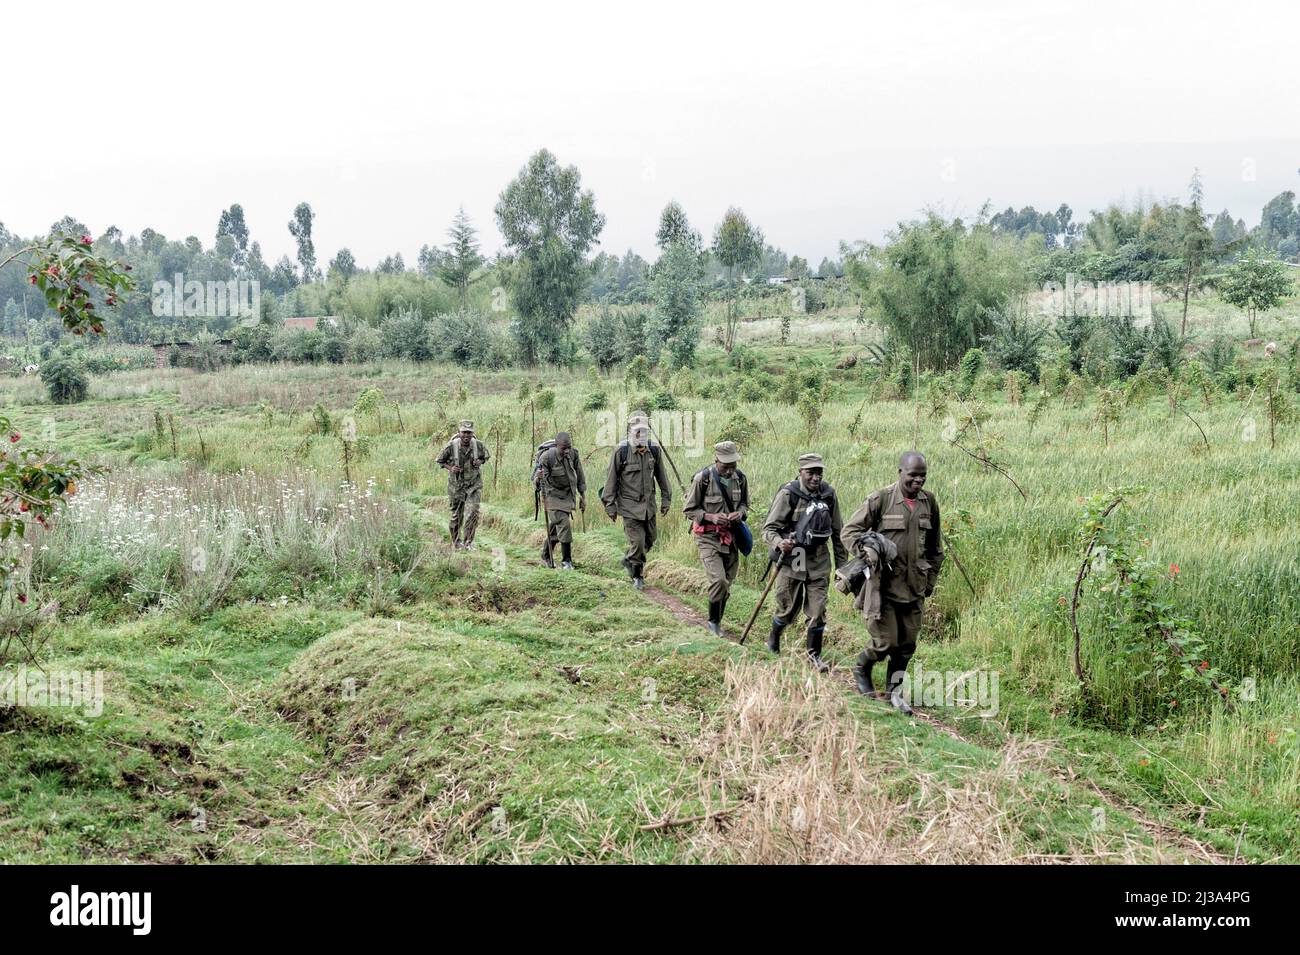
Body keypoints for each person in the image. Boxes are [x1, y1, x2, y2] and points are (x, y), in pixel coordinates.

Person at [841, 451, 944, 713]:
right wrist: (868, 551)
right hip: (883, 587)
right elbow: (849, 531)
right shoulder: (881, 499)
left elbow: (935, 549)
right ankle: (861, 669)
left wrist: (930, 581)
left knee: (907, 645)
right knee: (885, 642)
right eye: (913, 475)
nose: (918, 480)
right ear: (900, 472)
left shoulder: (929, 503)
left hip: (914, 587)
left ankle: (894, 693)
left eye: (923, 476)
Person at [760, 452, 848, 670]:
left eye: (819, 473)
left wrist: (842, 566)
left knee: (818, 610)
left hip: (818, 559)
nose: (815, 478)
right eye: (811, 473)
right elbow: (768, 529)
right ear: (801, 472)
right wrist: (780, 542)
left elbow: (838, 532)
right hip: (794, 558)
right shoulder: (788, 494)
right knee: (787, 608)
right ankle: (774, 639)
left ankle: (814, 656)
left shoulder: (828, 494)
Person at [682, 440, 749, 636]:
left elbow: (745, 504)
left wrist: (740, 514)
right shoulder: (702, 479)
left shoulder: (741, 479)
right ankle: (713, 623)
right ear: (716, 460)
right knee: (718, 581)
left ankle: (717, 620)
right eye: (725, 466)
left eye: (733, 466)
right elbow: (688, 509)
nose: (729, 471)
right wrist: (711, 517)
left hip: (732, 539)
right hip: (708, 538)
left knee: (726, 585)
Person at [601, 415, 671, 590]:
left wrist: (666, 499)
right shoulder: (621, 451)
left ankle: (629, 560)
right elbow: (611, 480)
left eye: (644, 431)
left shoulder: (654, 450)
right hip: (629, 507)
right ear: (630, 432)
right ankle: (637, 576)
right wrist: (610, 505)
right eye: (637, 431)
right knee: (638, 543)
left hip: (649, 507)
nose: (641, 434)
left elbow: (662, 477)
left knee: (650, 539)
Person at [534, 431, 586, 569]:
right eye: (564, 448)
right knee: (563, 524)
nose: (567, 451)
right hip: (551, 496)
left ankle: (546, 554)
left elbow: (580, 475)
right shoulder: (546, 458)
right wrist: (538, 477)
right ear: (556, 446)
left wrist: (583, 496)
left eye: (569, 447)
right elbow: (537, 483)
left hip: (567, 496)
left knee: (556, 527)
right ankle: (566, 560)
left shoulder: (573, 454)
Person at [435, 420, 489, 549]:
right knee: (456, 515)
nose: (466, 436)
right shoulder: (451, 446)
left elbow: (486, 457)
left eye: (469, 433)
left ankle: (469, 542)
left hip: (474, 485)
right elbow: (439, 460)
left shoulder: (478, 445)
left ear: (472, 433)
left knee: (473, 512)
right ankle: (456, 542)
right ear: (459, 432)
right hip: (456, 487)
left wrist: (480, 462)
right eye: (464, 432)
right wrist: (450, 468)